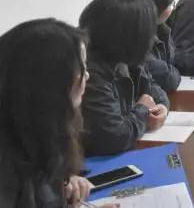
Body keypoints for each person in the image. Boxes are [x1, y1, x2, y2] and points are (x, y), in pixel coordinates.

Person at [0, 19, 114, 207]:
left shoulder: (36, 129)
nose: (87, 76)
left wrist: (61, 187)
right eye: (81, 68)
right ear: (50, 84)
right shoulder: (7, 165)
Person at [80, 0, 169, 156]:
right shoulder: (89, 73)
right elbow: (114, 137)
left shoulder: (122, 58)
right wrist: (143, 111)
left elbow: (153, 89)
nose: (152, 38)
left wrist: (162, 107)